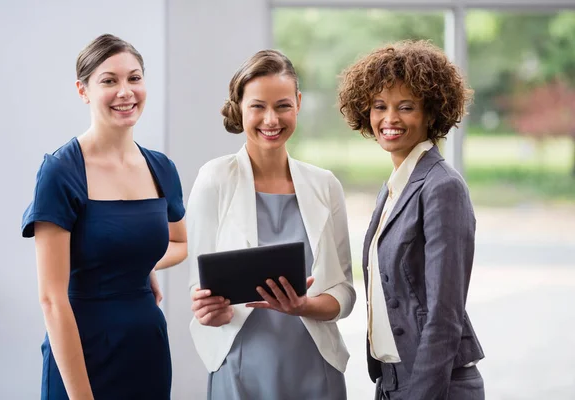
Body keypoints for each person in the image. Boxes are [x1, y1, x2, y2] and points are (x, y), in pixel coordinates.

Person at [21, 34, 187, 400]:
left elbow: (179, 242)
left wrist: (142, 265)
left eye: (135, 78)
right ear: (83, 91)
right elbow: (51, 299)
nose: (126, 91)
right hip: (81, 353)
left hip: (146, 349)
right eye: (109, 80)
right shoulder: (61, 172)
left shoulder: (161, 168)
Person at [186, 49, 355, 400]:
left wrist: (303, 306)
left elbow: (344, 292)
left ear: (298, 103)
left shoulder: (325, 185)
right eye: (258, 106)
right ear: (240, 107)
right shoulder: (214, 179)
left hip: (314, 365)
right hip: (240, 365)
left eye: (282, 105)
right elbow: (197, 286)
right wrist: (208, 312)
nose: (271, 119)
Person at [338, 40, 485, 400]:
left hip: (435, 385)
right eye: (379, 106)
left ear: (431, 113)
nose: (389, 119)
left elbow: (445, 313)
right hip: (391, 382)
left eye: (406, 107)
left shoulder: (442, 187)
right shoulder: (393, 188)